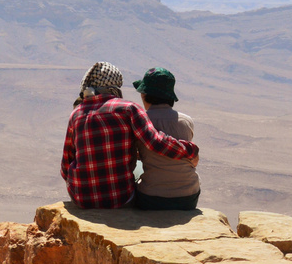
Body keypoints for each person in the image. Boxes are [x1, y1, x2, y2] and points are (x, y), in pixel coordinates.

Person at [60, 62, 198, 210]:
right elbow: (155, 143)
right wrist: (189, 149)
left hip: (82, 199)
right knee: (138, 167)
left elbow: (65, 166)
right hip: (121, 198)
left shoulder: (76, 114)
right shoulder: (129, 109)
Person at [131, 67, 201, 211]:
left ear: (144, 95)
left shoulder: (140, 122)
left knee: (136, 167)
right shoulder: (186, 121)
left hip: (151, 199)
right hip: (188, 197)